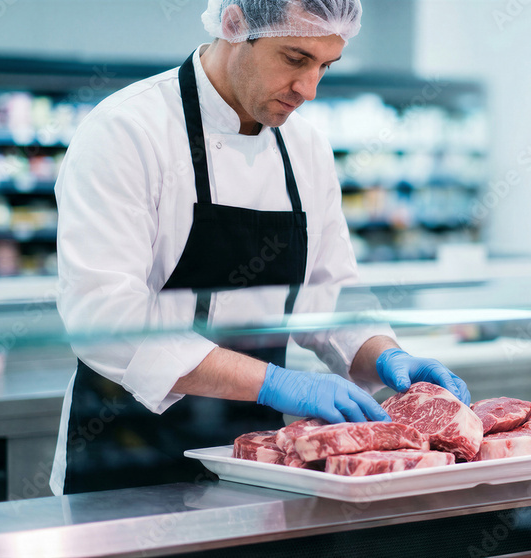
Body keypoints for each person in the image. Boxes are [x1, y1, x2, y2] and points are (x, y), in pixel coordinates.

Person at [49, 0, 469, 495]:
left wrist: (383, 354)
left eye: (324, 66)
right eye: (295, 59)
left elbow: (328, 289)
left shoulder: (305, 146)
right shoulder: (126, 130)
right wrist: (274, 382)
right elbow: (104, 318)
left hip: (254, 458)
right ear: (234, 24)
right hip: (126, 454)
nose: (309, 90)